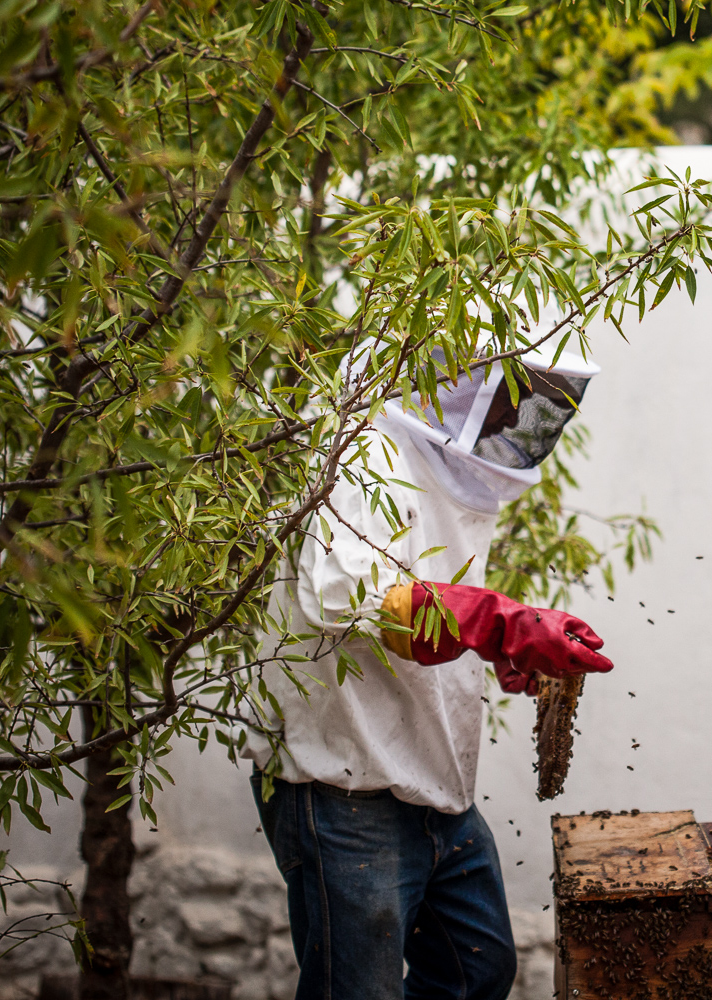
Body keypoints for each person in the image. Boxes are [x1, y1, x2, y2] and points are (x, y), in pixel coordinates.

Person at [245, 344, 613, 1000]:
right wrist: (495, 622)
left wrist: (509, 647)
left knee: (476, 970)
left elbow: (431, 601)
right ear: (461, 371)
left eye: (544, 398)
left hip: (432, 782)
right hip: (345, 786)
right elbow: (343, 597)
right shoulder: (363, 449)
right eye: (519, 390)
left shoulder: (455, 474)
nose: (523, 414)